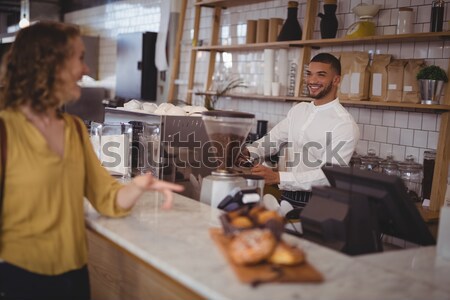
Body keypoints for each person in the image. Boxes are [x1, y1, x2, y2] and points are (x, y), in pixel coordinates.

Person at [0, 21, 183, 300]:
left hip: (75, 276)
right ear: (50, 64)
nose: (87, 70)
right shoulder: (5, 130)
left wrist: (140, 184)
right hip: (20, 278)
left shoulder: (73, 129)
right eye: (80, 58)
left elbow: (106, 197)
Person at [243, 53, 359, 209]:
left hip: (317, 203)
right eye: (309, 74)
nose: (312, 80)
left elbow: (327, 176)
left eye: (321, 75)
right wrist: (247, 153)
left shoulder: (344, 124)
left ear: (336, 80)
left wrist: (278, 177)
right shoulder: (299, 110)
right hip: (287, 196)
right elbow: (273, 139)